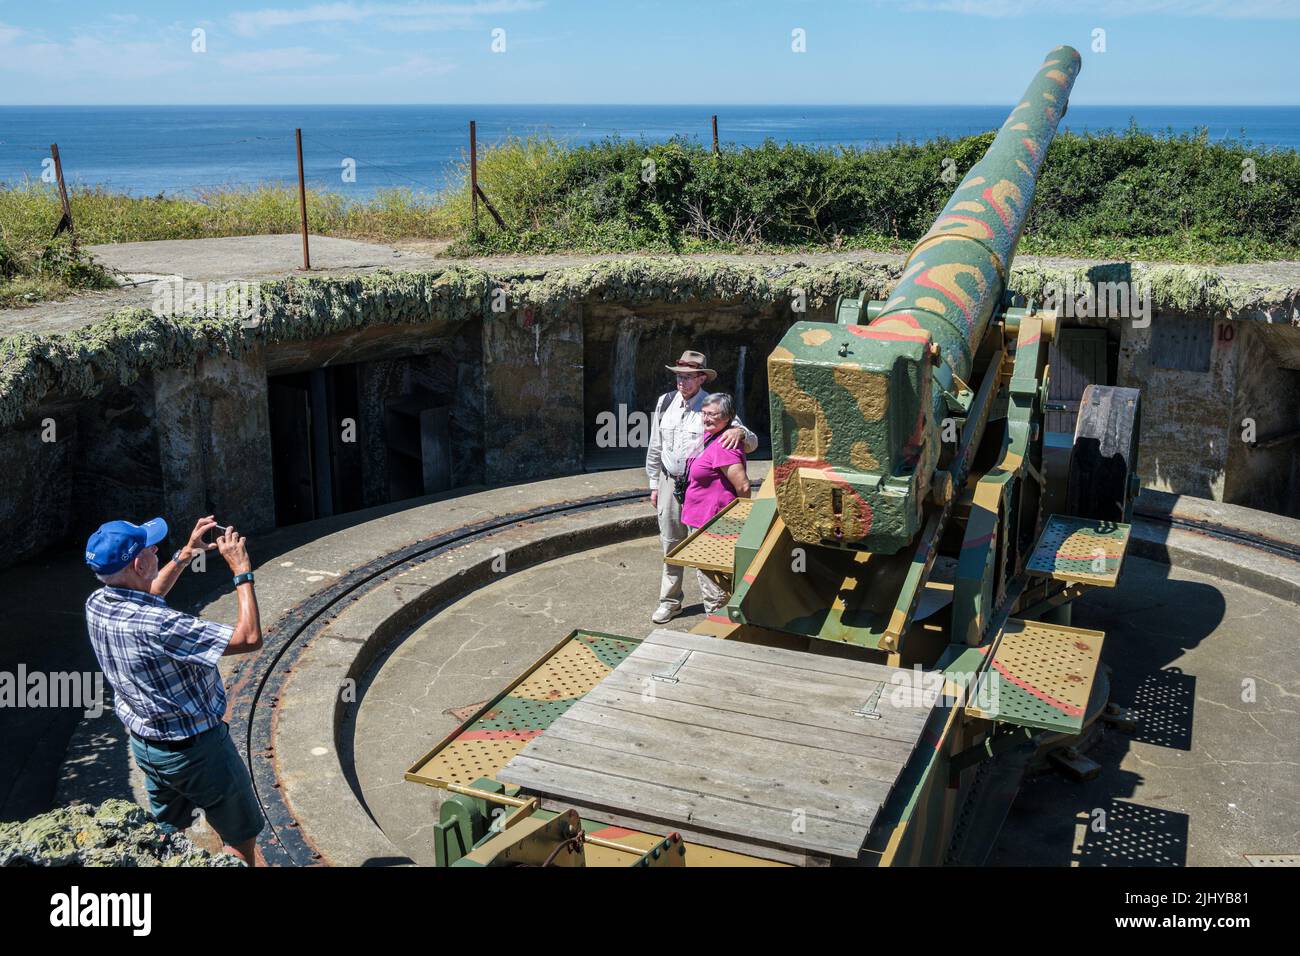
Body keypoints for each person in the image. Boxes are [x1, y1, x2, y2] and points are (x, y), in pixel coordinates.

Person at [83, 514, 265, 866]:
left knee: (169, 831)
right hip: (198, 752)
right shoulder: (161, 626)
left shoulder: (98, 603)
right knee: (240, 837)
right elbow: (249, 638)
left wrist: (185, 554)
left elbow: (148, 595)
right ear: (139, 563)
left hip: (147, 748)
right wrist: (241, 571)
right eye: (151, 548)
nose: (156, 549)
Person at [646, 350, 757, 624]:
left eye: (687, 377)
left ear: (701, 378)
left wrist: (740, 432)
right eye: (678, 376)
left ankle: (715, 607)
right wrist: (653, 483)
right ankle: (670, 601)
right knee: (671, 544)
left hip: (702, 487)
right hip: (670, 482)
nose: (681, 381)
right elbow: (655, 446)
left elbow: (751, 443)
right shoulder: (665, 402)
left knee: (704, 548)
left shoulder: (713, 407)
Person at [680, 393, 751, 614]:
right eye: (705, 413)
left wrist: (740, 520)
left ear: (728, 417)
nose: (707, 418)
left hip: (713, 523)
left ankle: (717, 625)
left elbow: (744, 487)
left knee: (713, 583)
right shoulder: (710, 436)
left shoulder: (725, 444)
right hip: (699, 518)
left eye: (713, 414)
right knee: (705, 575)